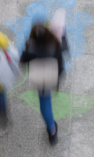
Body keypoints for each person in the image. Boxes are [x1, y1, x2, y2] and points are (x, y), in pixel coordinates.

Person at [20, 12, 68, 146]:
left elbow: (22, 61)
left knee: (44, 104)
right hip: (52, 76)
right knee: (46, 101)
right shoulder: (55, 45)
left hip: (41, 79)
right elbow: (60, 63)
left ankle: (52, 132)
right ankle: (52, 132)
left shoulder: (31, 48)